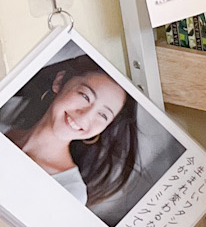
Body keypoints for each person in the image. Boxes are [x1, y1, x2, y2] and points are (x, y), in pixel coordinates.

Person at [2, 53, 137, 212]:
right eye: (85, 96)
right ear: (59, 82)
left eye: (103, 115)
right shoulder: (4, 119)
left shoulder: (70, 191)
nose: (85, 116)